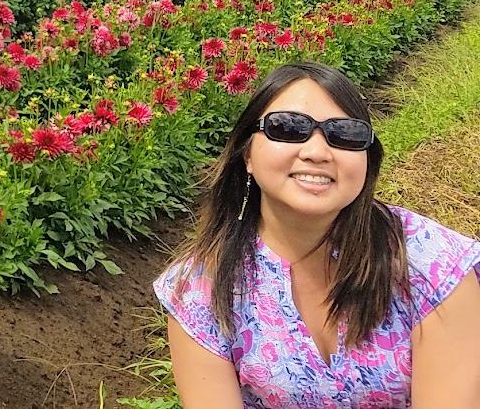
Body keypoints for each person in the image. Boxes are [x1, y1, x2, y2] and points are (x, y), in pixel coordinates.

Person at [154, 61, 480, 407]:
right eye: (288, 129)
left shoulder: (432, 264)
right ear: (247, 153)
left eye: (345, 134)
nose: (316, 152)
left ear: (367, 159)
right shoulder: (201, 290)